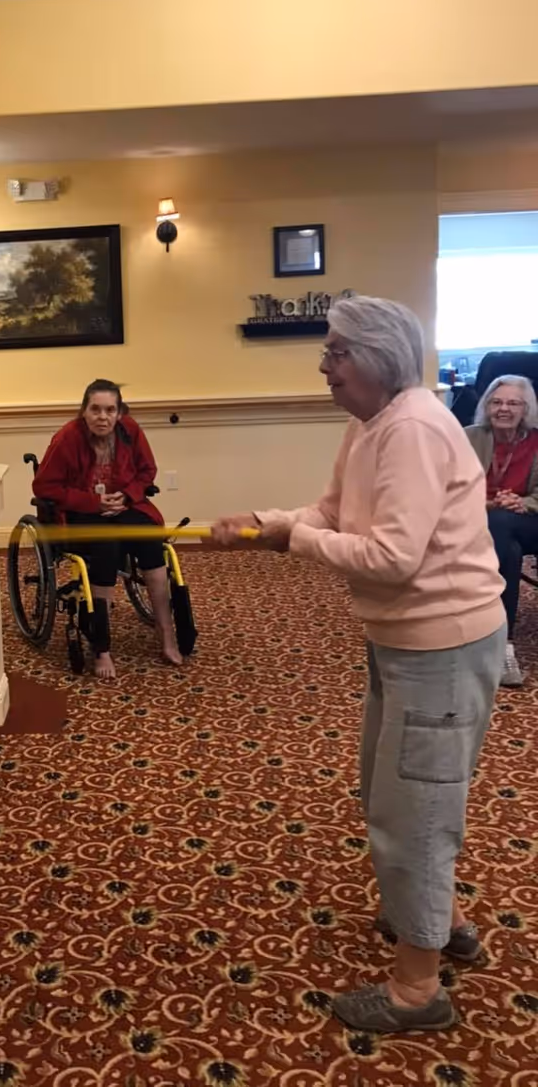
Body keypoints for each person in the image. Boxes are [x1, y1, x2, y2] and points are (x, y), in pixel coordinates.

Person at [208, 296, 505, 1035]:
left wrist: (287, 543)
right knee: (392, 790)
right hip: (403, 639)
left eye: (337, 352)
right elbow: (333, 514)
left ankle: (418, 989)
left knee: (416, 811)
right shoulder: (371, 423)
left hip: (440, 641)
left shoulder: (411, 428)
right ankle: (443, 920)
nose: (325, 366)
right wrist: (267, 523)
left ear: (377, 358)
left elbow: (393, 559)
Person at [33, 378, 181, 679]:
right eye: (96, 410)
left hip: (125, 504)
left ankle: (167, 633)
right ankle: (101, 647)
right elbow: (44, 485)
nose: (103, 417)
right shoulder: (68, 438)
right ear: (84, 412)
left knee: (150, 540)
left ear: (119, 412)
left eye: (110, 410)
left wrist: (127, 495)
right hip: (82, 511)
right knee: (107, 546)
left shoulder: (131, 431)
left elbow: (146, 471)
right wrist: (93, 502)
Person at [467, 374, 538, 689]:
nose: (503, 409)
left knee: (502, 524)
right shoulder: (468, 438)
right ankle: (503, 644)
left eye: (513, 403)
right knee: (503, 541)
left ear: (526, 409)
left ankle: (495, 641)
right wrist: (488, 504)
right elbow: (447, 487)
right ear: (487, 406)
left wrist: (523, 502)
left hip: (529, 520)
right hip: (479, 520)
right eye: (496, 402)